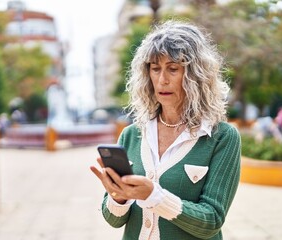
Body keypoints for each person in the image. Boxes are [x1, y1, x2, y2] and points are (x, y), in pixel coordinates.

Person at [90, 20, 241, 240]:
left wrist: (154, 196)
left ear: (195, 76)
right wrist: (118, 197)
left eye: (173, 69)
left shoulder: (221, 137)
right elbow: (114, 220)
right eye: (155, 68)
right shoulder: (132, 135)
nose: (162, 80)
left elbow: (212, 221)